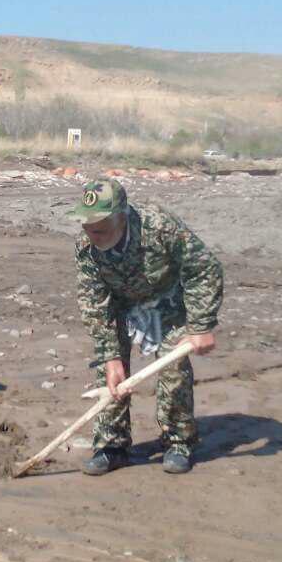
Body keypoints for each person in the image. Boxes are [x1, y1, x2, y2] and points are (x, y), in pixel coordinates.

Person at [74, 178, 223, 476]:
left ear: (122, 216)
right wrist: (111, 356)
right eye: (86, 226)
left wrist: (201, 325)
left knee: (174, 368)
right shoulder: (86, 247)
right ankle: (112, 446)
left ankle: (179, 442)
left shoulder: (160, 228)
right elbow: (94, 301)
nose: (92, 234)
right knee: (109, 375)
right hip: (118, 306)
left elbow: (203, 268)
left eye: (100, 227)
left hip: (165, 302)